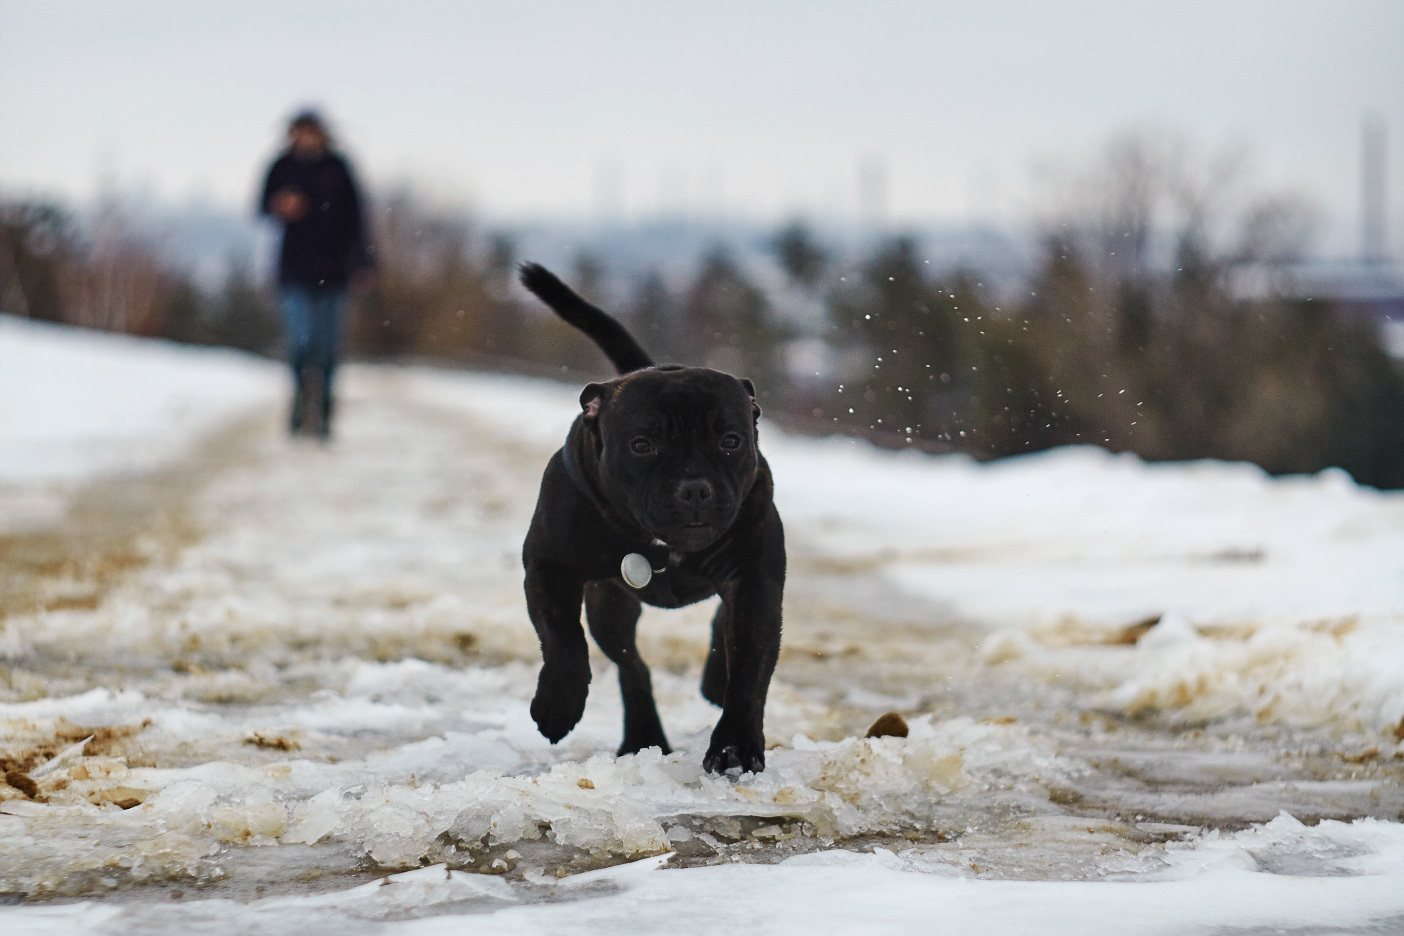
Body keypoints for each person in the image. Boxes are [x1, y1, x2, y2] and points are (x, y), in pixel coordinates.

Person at [259, 109, 374, 439]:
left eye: (311, 132)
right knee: (299, 343)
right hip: (294, 271)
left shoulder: (338, 168)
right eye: (300, 133)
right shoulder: (281, 167)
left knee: (327, 348)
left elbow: (357, 219)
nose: (305, 139)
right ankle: (298, 400)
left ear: (322, 134)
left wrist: (364, 263)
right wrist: (280, 204)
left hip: (336, 271)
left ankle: (323, 412)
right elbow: (261, 206)